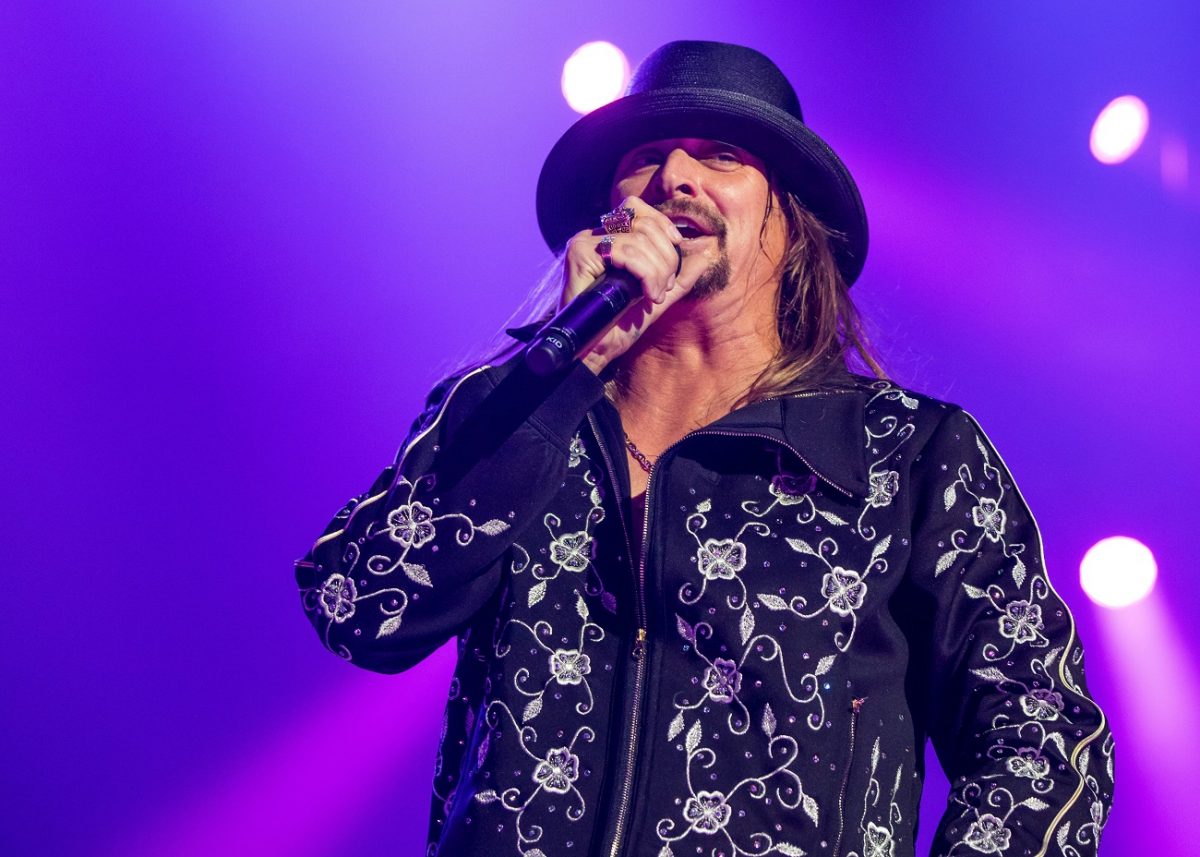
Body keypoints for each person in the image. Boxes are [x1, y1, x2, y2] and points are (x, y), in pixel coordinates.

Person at [296, 41, 1114, 857]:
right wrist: (561, 375)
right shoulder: (514, 408)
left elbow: (1042, 740)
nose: (675, 178)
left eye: (720, 154)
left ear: (791, 222)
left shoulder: (903, 454)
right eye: (646, 157)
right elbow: (357, 605)